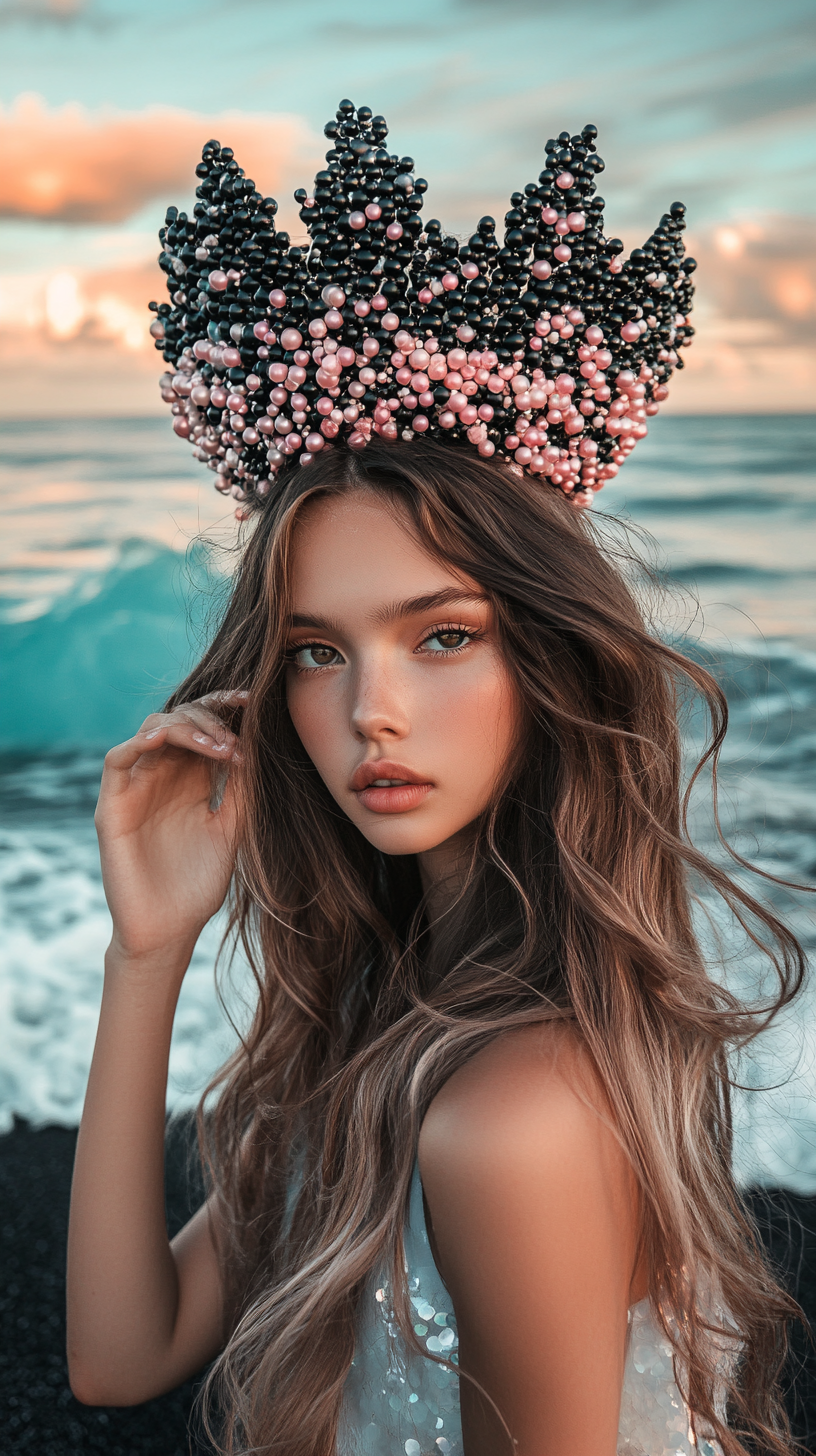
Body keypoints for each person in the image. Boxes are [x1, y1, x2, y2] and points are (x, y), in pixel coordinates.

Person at [67, 105, 804, 1456]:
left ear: (553, 656)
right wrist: (145, 954)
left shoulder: (508, 1112)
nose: (369, 712)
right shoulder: (386, 1015)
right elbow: (122, 1354)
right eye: (311, 653)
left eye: (443, 634)